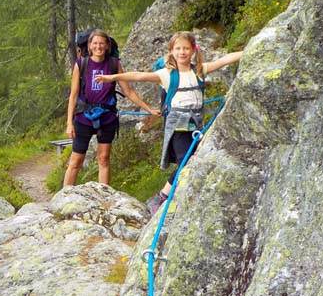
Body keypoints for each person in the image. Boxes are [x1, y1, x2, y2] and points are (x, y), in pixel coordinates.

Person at [94, 31, 243, 212]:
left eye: (186, 48)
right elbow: (139, 76)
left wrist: (249, 49)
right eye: (178, 48)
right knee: (186, 162)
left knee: (193, 161)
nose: (182, 52)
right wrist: (112, 78)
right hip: (178, 126)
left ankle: (169, 195)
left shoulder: (200, 70)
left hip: (195, 125)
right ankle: (162, 196)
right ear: (171, 51)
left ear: (193, 50)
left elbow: (225, 60)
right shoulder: (166, 74)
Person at [64, 29, 160, 186]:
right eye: (95, 43)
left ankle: (104, 197)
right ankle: (64, 197)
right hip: (83, 118)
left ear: (107, 45)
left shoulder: (114, 64)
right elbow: (73, 95)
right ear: (89, 46)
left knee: (104, 158)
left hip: (107, 117)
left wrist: (148, 108)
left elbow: (128, 91)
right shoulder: (81, 64)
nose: (98, 46)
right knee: (76, 160)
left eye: (102, 43)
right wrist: (69, 123)